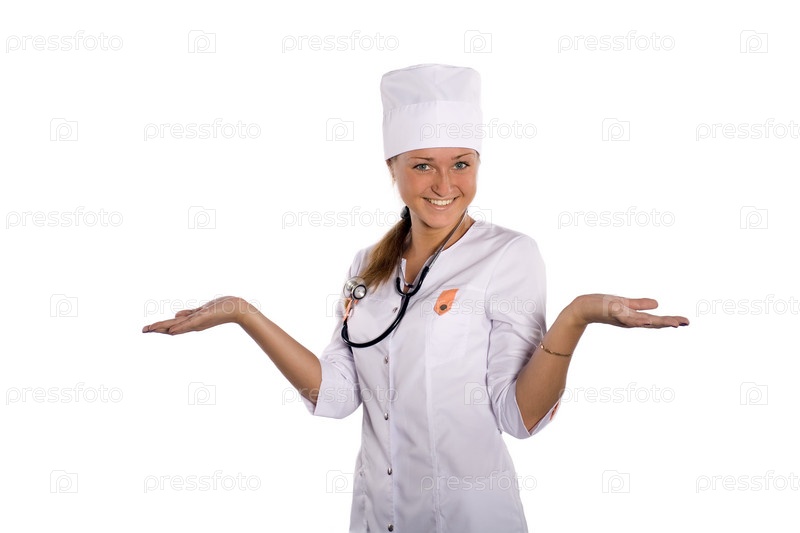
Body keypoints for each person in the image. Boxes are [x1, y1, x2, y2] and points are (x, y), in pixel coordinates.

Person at [142, 63, 689, 533]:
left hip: (471, 517)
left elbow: (519, 416)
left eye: (462, 164)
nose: (444, 185)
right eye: (423, 165)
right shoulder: (367, 266)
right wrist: (244, 314)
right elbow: (335, 396)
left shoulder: (509, 255)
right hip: (378, 515)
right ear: (393, 169)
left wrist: (575, 318)